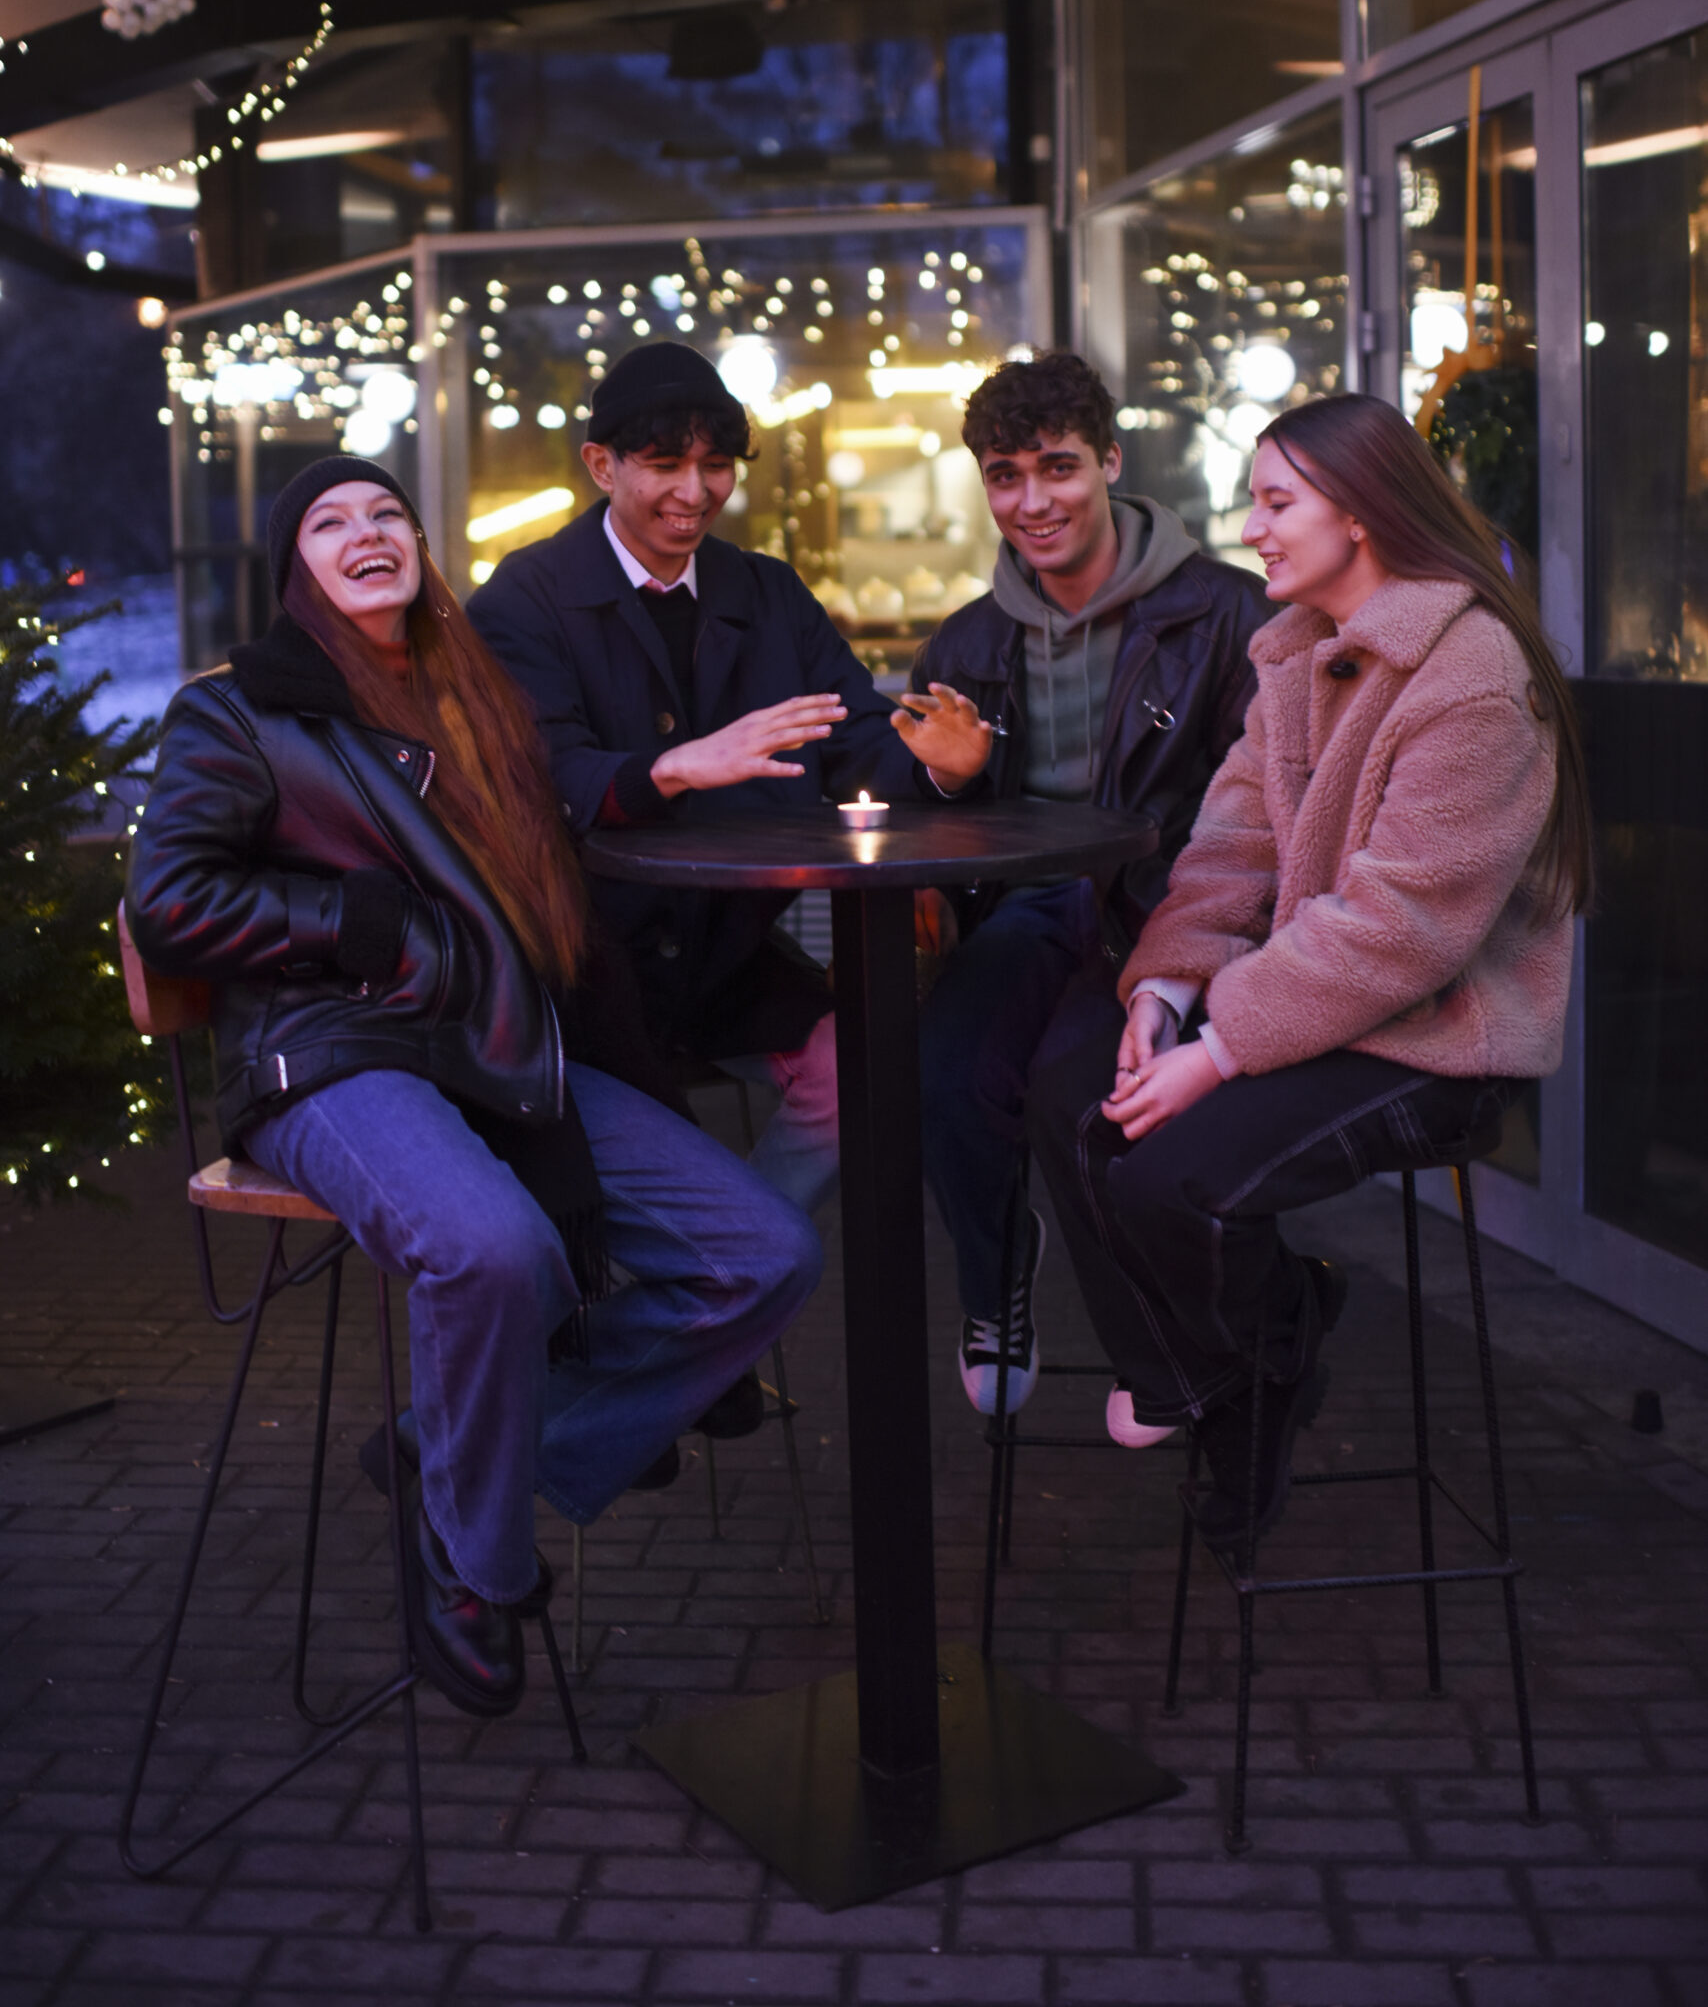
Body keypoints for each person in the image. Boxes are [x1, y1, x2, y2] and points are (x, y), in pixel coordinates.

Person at [125, 455, 822, 1720]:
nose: (368, 533)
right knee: (493, 1252)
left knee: (762, 1252)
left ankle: (453, 1451)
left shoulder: (473, 691)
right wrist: (363, 923)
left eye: (387, 511)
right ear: (297, 568)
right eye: (332, 523)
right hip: (330, 1050)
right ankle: (473, 1562)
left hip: (494, 1043)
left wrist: (673, 773)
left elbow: (559, 823)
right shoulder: (243, 709)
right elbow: (168, 903)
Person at [1027, 393, 1588, 1542]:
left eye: (1276, 502)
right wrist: (1165, 992)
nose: (1253, 528)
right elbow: (1230, 845)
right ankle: (1211, 1375)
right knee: (1073, 1092)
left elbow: (1406, 929)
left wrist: (1219, 1052)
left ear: (1364, 514)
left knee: (1161, 1173)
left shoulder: (1469, 670)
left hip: (1441, 1032)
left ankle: (1262, 1363)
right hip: (1313, 999)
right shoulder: (1290, 653)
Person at [467, 340, 990, 1228]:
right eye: (664, 465)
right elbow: (534, 775)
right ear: (601, 465)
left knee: (863, 1069)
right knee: (609, 1154)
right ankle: (725, 1277)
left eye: (716, 466)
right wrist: (670, 768)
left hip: (725, 952)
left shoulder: (768, 592)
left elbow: (856, 739)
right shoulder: (526, 598)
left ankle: (728, 1263)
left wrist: (939, 765)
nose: (695, 491)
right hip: (580, 965)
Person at [908, 350, 1269, 1415]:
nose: (1032, 501)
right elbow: (935, 827)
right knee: (945, 1073)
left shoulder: (1225, 615)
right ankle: (995, 1283)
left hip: (1174, 909)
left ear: (1110, 459)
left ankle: (1159, 1338)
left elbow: (1263, 807)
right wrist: (949, 779)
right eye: (1004, 476)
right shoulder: (972, 638)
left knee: (1094, 1099)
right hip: (1036, 906)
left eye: (1057, 468)